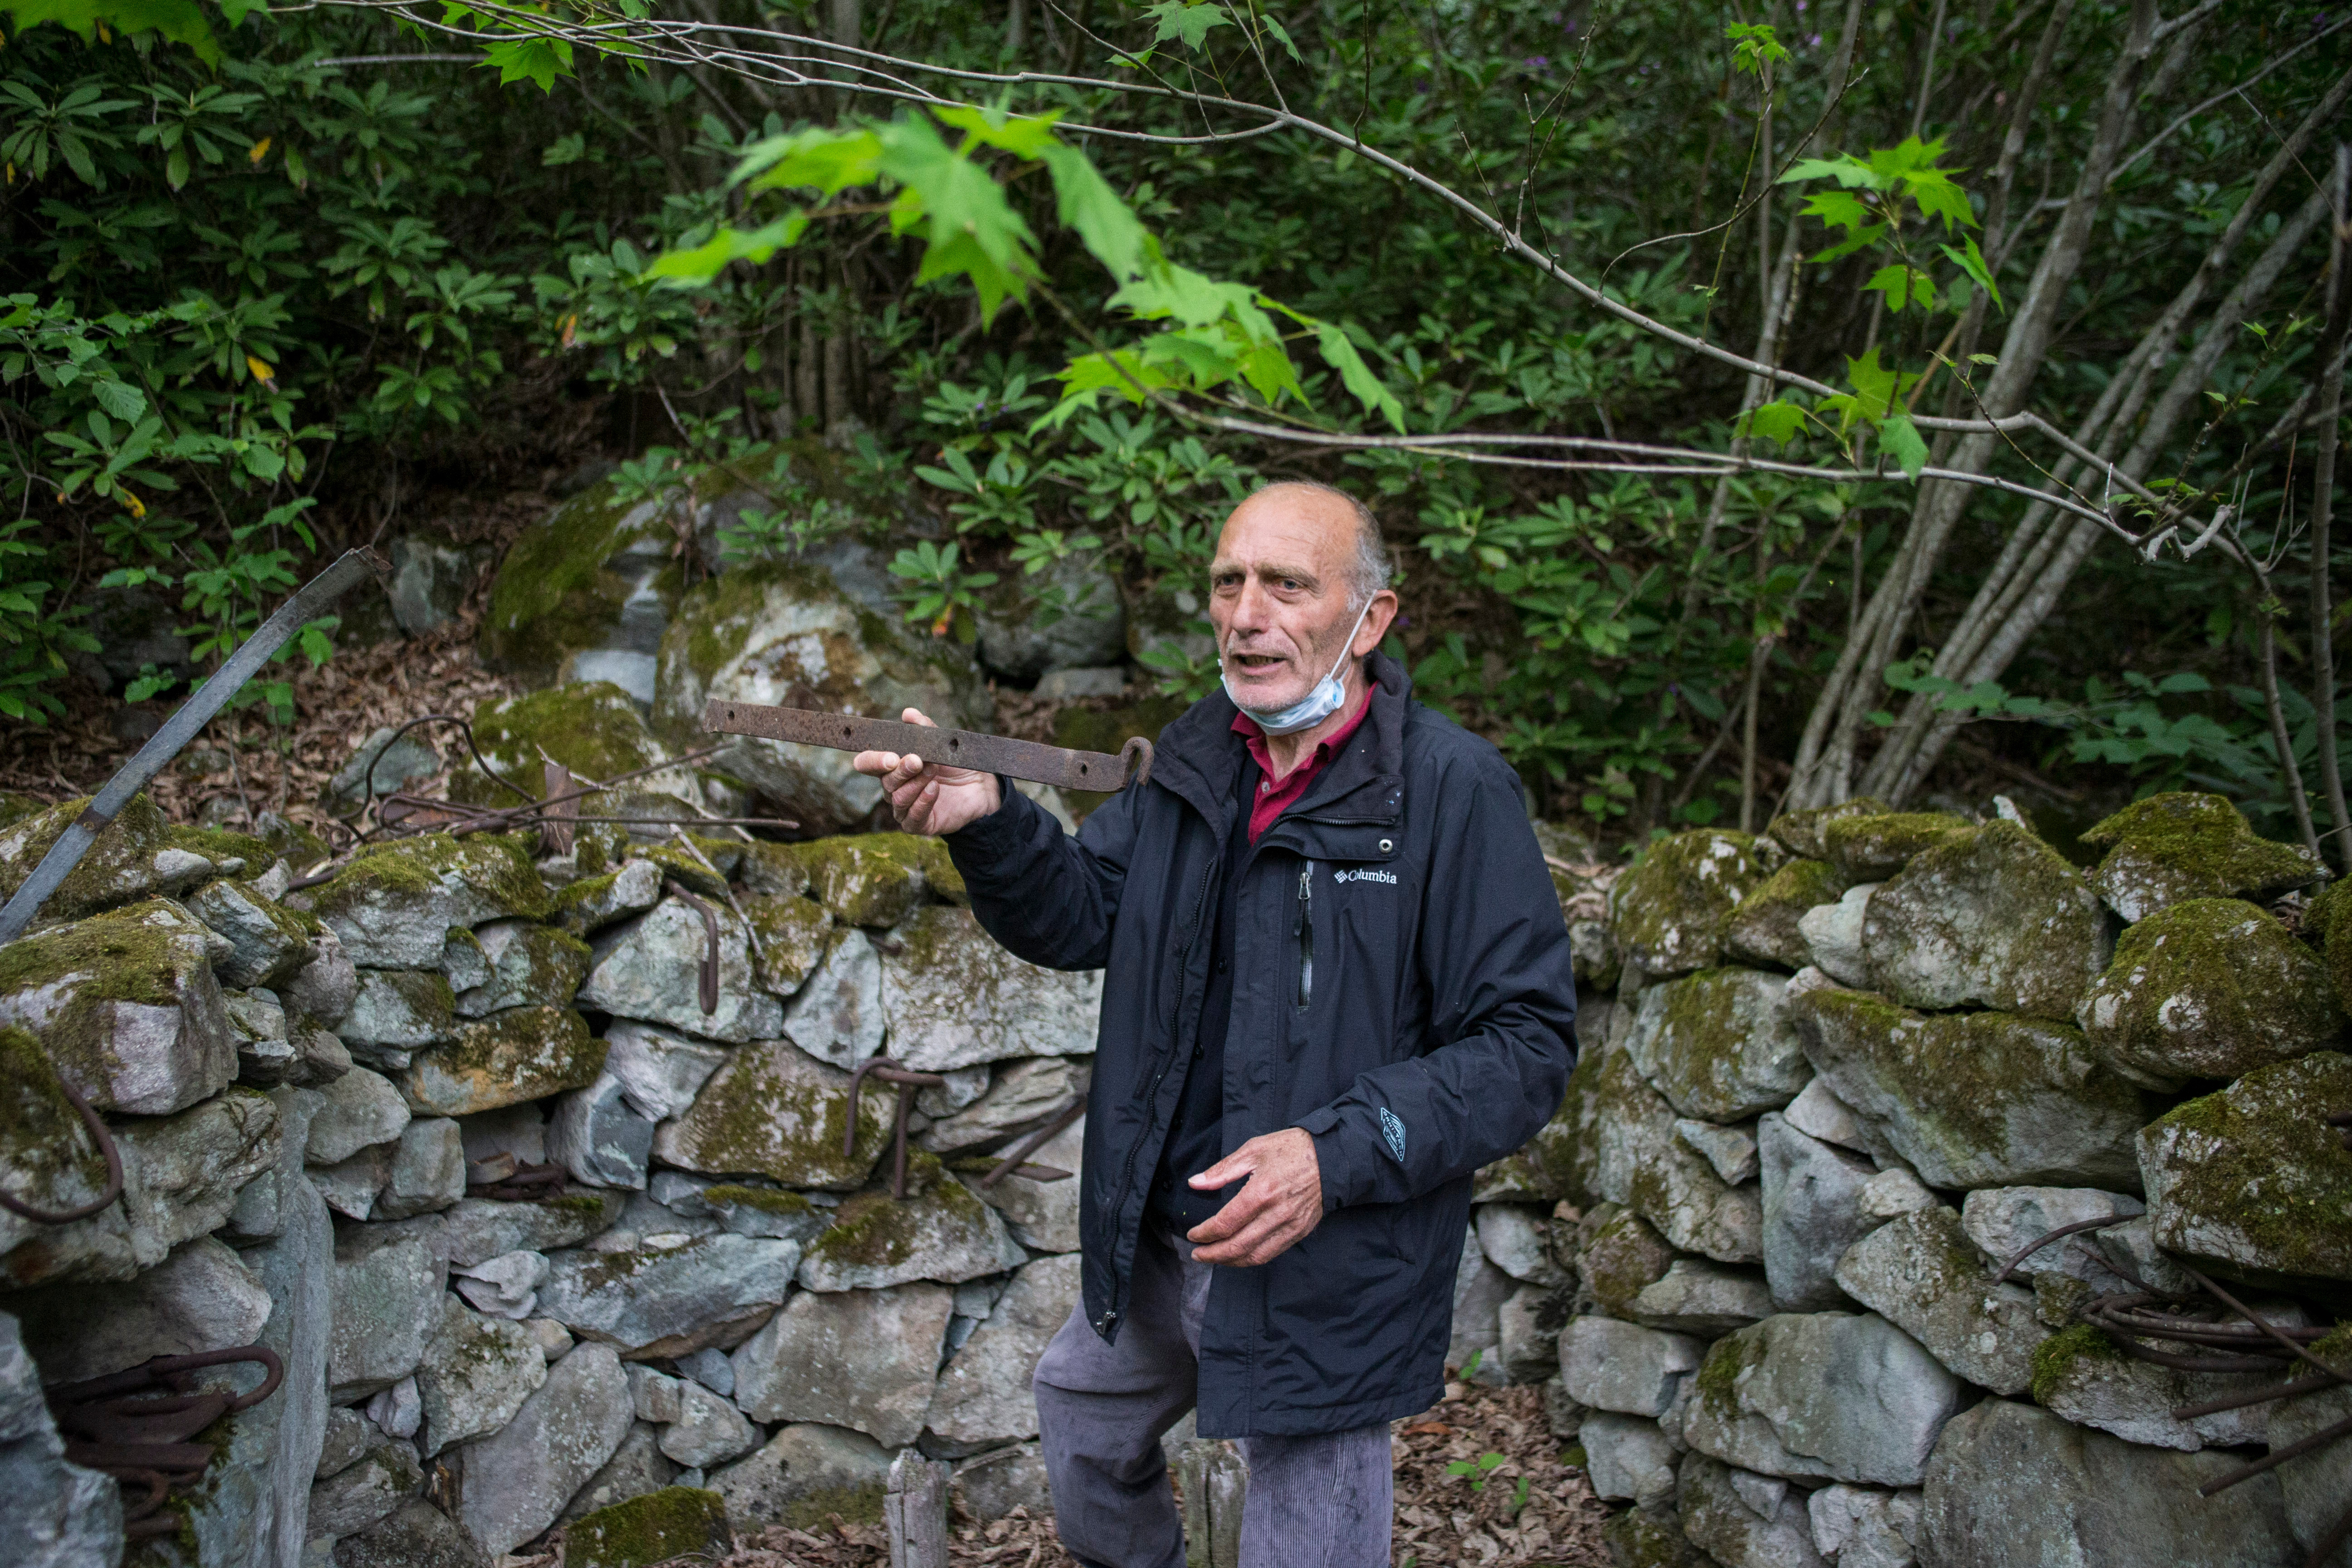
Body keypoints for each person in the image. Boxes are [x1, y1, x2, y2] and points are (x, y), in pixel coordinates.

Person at [853, 481, 1576, 1568]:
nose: (1248, 615)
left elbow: (1525, 1045)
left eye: (1288, 585)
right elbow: (1089, 914)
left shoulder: (1448, 791)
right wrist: (991, 822)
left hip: (1326, 1256)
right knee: (1085, 1426)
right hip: (1167, 1226)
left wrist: (1330, 1157)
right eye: (1229, 583)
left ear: (1369, 619)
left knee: (1306, 1535)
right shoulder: (1196, 761)